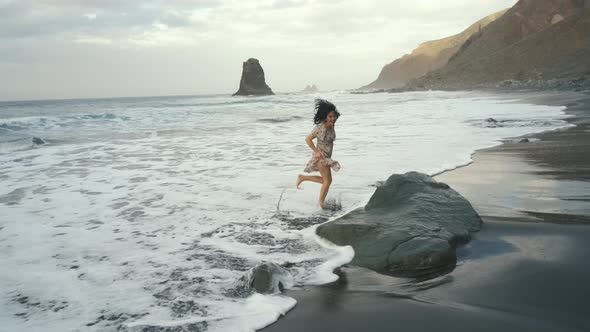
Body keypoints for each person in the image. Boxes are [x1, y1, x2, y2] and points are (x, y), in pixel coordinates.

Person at [296, 99, 341, 209]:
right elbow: (308, 139)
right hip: (321, 157)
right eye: (330, 116)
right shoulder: (321, 128)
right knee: (328, 181)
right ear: (326, 117)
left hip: (326, 156)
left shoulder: (331, 125)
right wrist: (316, 152)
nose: (333, 118)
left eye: (334, 116)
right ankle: (321, 204)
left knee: (326, 180)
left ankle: (302, 178)